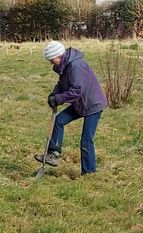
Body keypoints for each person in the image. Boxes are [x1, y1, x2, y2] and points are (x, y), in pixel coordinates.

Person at [35, 40, 107, 175]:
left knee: (86, 140)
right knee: (59, 120)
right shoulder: (65, 65)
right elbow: (62, 84)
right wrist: (54, 94)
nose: (51, 62)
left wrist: (59, 99)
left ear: (58, 55)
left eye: (51, 59)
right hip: (80, 103)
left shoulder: (75, 66)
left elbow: (77, 90)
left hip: (92, 104)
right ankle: (53, 154)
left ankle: (89, 173)